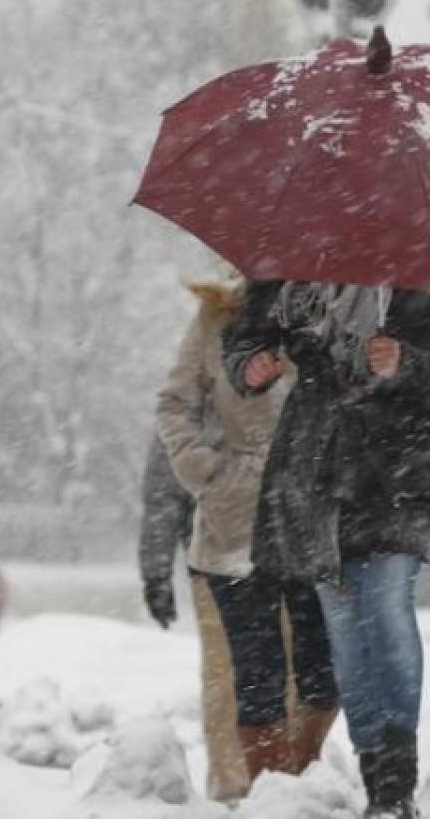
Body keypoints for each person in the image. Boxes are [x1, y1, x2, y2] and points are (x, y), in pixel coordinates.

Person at [224, 281, 430, 819]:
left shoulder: (424, 260)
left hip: (401, 461)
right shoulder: (293, 254)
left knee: (385, 604)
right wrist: (251, 365)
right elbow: (244, 339)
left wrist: (405, 361)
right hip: (315, 463)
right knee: (344, 623)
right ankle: (376, 772)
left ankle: (395, 781)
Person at [157, 273, 339, 795]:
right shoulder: (220, 316)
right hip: (235, 520)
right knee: (253, 676)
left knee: (322, 672)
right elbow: (175, 403)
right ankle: (262, 794)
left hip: (317, 515)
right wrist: (207, 472)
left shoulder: (337, 307)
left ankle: (296, 781)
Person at [138, 432, 250, 802]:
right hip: (215, 557)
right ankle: (234, 781)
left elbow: (162, 495)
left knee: (238, 671)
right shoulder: (190, 397)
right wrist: (156, 572)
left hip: (272, 555)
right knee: (227, 670)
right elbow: (164, 492)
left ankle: (257, 773)